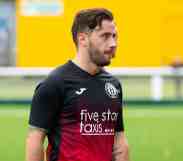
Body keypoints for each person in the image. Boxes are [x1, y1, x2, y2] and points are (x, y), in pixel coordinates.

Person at [26, 8, 129, 161]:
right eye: (105, 36)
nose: (113, 43)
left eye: (114, 36)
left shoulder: (113, 85)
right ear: (83, 39)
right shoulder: (54, 83)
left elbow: (119, 142)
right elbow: (35, 140)